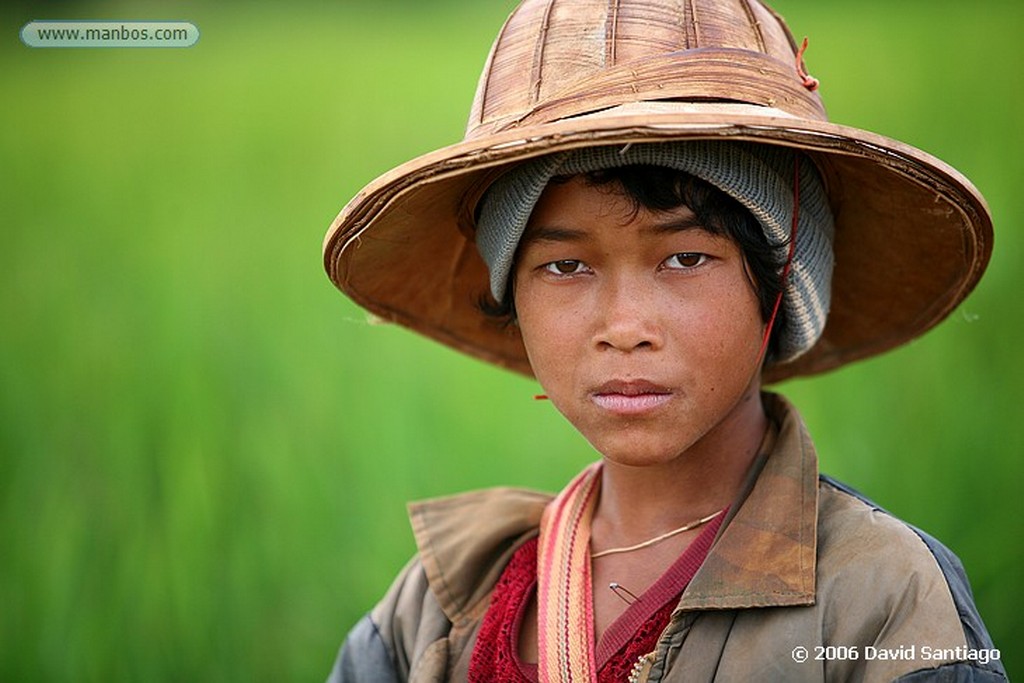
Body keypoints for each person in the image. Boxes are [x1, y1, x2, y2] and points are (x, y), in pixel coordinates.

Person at [322, 0, 1006, 681]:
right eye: (566, 266)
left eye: (684, 258)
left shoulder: (880, 598)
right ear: (514, 301)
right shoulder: (435, 610)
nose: (625, 328)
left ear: (779, 283)